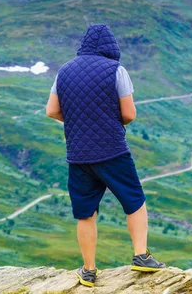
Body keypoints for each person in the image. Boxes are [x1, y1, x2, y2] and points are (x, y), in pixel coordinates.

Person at [46, 24, 165, 287]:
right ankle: (141, 256)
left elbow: (52, 110)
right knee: (134, 200)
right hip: (111, 150)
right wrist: (104, 121)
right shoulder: (116, 70)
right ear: (111, 47)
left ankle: (88, 271)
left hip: (78, 154)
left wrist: (78, 121)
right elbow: (129, 114)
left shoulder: (64, 70)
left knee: (86, 212)